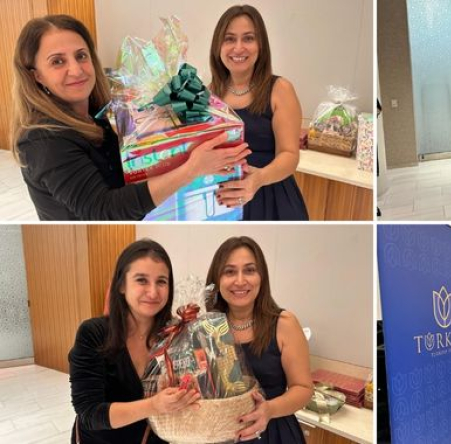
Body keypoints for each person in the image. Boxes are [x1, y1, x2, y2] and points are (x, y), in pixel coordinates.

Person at [11, 15, 249, 221]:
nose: (76, 70)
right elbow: (103, 212)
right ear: (36, 76)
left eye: (81, 56)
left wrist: (220, 159)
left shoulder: (104, 114)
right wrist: (192, 169)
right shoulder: (42, 139)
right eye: (57, 61)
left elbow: (142, 162)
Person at [68, 239, 202, 444]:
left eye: (161, 281)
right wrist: (154, 405)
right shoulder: (93, 333)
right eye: (141, 280)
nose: (153, 292)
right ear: (121, 285)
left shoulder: (174, 335)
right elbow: (90, 413)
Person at [205, 236, 313, 442]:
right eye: (229, 272)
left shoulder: (284, 323)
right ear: (216, 281)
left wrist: (269, 409)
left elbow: (304, 389)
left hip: (274, 433)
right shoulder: (208, 328)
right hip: (222, 434)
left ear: (261, 277)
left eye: (249, 270)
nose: (240, 281)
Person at [209, 5, 309, 221]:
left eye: (248, 38)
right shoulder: (210, 94)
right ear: (218, 46)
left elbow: (290, 155)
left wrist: (259, 178)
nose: (238, 48)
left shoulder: (280, 89)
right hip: (222, 200)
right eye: (229, 39)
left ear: (260, 45)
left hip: (271, 197)